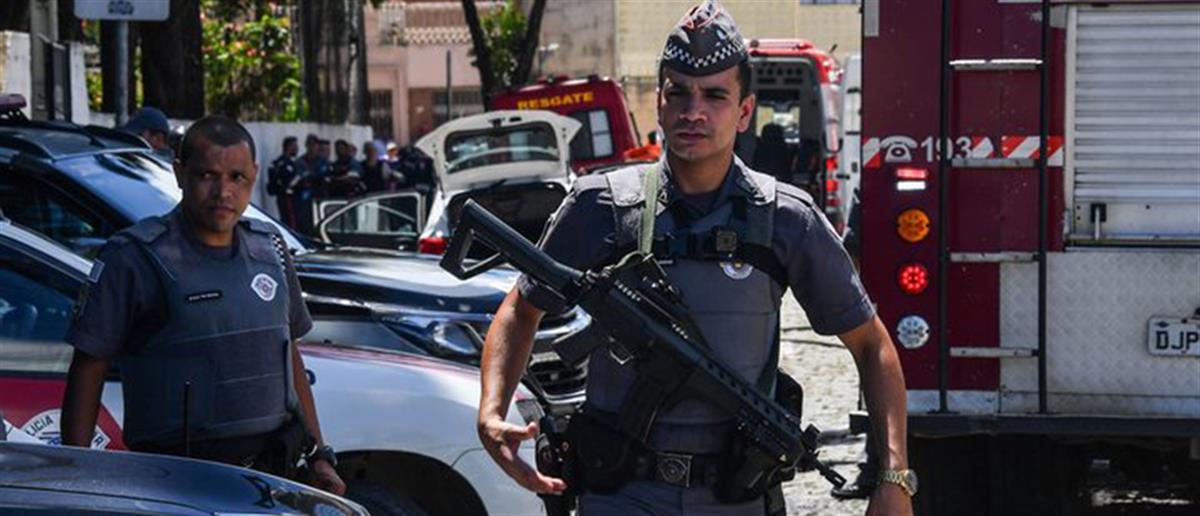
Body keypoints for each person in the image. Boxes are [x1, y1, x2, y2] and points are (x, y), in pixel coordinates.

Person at [474, 2, 914, 515]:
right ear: (659, 104)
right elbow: (521, 308)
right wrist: (491, 410)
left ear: (745, 111)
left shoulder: (786, 218)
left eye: (715, 95)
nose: (693, 111)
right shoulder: (602, 206)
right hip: (620, 494)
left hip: (736, 497)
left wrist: (893, 476)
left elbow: (872, 345)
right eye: (678, 92)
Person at [59, 115, 346, 496]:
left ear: (254, 175)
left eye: (237, 177)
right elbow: (88, 367)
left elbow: (287, 352)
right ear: (180, 173)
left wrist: (319, 455)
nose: (223, 191)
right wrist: (77, 478)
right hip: (179, 484)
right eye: (207, 175)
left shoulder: (271, 249)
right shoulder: (134, 257)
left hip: (271, 479)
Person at [267, 136, 302, 228]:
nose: (297, 149)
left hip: (296, 198)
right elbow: (285, 182)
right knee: (290, 223)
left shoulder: (294, 162)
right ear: (289, 147)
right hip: (287, 198)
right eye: (294, 146)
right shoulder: (281, 163)